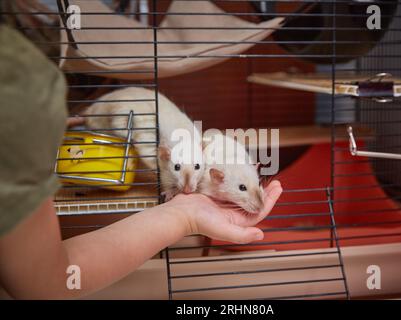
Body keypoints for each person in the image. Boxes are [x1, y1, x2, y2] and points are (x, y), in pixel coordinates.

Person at [0, 24, 283, 299]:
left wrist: (182, 214)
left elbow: (45, 280)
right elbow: (43, 282)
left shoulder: (25, 83)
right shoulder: (24, 89)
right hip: (111, 119)